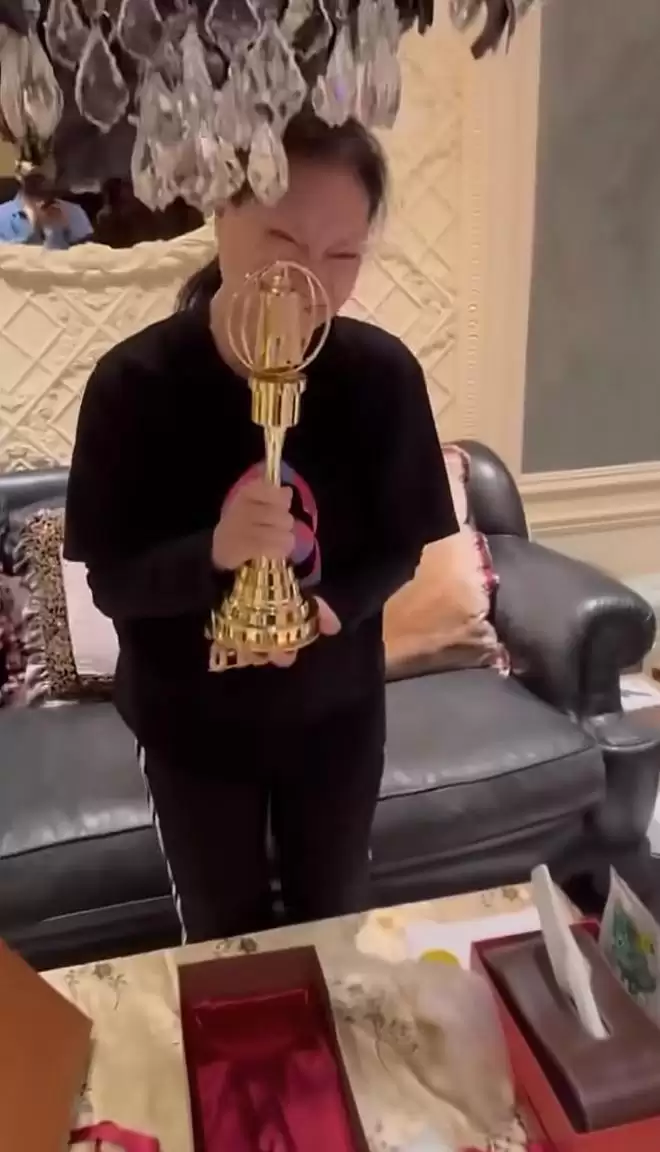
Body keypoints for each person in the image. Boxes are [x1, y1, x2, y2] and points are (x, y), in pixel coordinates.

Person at [64, 112, 458, 945]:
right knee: (224, 941)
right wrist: (215, 550)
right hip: (190, 730)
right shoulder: (132, 386)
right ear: (222, 215)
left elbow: (399, 544)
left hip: (336, 722)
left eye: (343, 255)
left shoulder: (381, 377)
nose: (309, 278)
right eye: (283, 238)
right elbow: (113, 581)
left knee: (336, 923)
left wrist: (329, 609)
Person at [0, 171, 93, 249]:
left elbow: (88, 252)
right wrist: (33, 229)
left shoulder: (74, 211)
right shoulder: (3, 216)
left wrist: (66, 229)